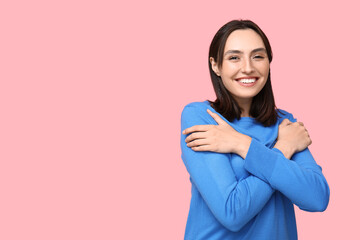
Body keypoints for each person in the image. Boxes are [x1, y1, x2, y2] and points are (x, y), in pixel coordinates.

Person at [180, 19, 330, 240]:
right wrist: (283, 148)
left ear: (269, 62)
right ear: (215, 65)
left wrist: (241, 145)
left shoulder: (284, 123)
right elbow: (232, 211)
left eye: (258, 56)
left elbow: (317, 197)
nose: (248, 67)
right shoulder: (202, 117)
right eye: (234, 58)